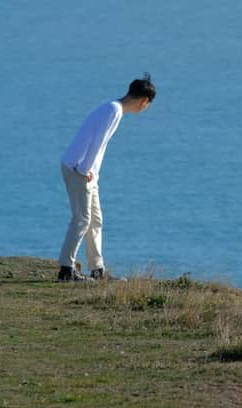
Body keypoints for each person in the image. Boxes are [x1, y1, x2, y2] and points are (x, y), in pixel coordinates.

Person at [57, 73, 156, 282]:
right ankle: (66, 270)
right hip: (78, 170)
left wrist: (91, 172)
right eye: (147, 104)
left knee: (95, 220)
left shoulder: (112, 107)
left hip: (86, 172)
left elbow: (95, 143)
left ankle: (97, 270)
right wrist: (84, 170)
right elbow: (97, 142)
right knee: (82, 220)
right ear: (144, 101)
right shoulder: (114, 111)